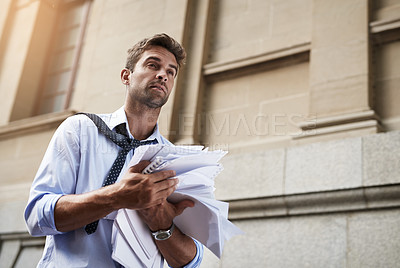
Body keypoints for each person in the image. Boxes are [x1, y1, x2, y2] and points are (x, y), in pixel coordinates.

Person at [24, 33, 203, 267]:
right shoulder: (80, 130)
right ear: (126, 76)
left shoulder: (174, 162)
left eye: (171, 72)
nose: (163, 75)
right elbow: (37, 217)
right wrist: (116, 197)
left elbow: (191, 261)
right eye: (153, 65)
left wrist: (163, 226)